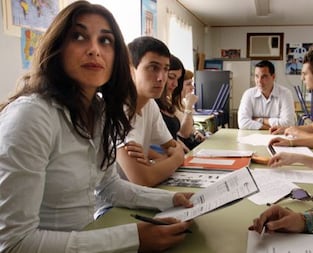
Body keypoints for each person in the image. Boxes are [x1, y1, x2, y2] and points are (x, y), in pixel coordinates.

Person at [0, 2, 192, 252]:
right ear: (58, 48)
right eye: (79, 37)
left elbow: (109, 186)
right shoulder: (32, 116)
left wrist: (171, 198)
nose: (94, 50)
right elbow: (14, 243)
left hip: (88, 237)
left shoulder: (99, 112)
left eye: (105, 41)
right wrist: (134, 239)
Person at [116, 36, 185, 187]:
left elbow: (171, 146)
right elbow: (143, 179)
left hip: (139, 195)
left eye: (165, 69)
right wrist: (177, 158)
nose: (162, 78)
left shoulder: (150, 104)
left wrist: (155, 162)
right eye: (153, 68)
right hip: (111, 205)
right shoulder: (116, 109)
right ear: (130, 70)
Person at [237, 60, 296, 130]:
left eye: (264, 77)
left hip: (278, 137)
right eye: (256, 76)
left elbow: (288, 123)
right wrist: (269, 128)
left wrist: (261, 120)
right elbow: (242, 123)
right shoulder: (248, 94)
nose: (259, 81)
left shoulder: (285, 94)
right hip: (253, 137)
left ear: (273, 77)